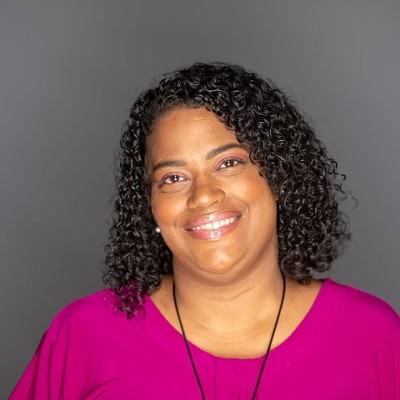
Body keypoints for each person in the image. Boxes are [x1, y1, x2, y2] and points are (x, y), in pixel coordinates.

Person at [10, 62, 400, 399]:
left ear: (280, 177)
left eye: (228, 163)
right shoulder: (84, 335)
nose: (203, 196)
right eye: (174, 177)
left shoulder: (374, 336)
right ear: (151, 206)